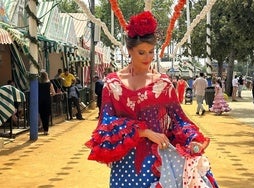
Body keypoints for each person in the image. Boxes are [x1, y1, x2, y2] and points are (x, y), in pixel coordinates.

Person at [85, 11, 218, 188]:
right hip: (123, 164)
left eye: (151, 52)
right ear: (129, 50)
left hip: (157, 161)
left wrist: (192, 138)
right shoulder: (112, 83)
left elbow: (179, 119)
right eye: (141, 52)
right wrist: (144, 132)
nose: (148, 58)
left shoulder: (163, 84)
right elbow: (106, 122)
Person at [38, 71, 55, 135]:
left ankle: (42, 126)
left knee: (42, 114)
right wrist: (49, 93)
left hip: (40, 100)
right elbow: (53, 93)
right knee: (47, 115)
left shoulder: (38, 84)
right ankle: (46, 130)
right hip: (47, 100)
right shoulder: (49, 84)